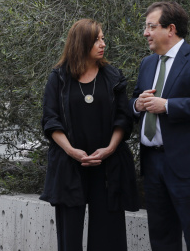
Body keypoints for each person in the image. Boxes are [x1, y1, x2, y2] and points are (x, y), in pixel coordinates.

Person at [41, 19, 139, 251]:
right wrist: (71, 151)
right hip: (69, 164)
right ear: (81, 43)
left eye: (103, 38)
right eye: (96, 39)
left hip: (107, 166)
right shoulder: (59, 78)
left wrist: (110, 149)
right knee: (70, 235)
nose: (102, 44)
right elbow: (50, 120)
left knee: (109, 235)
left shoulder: (113, 76)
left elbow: (123, 118)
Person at [131, 1, 190, 250]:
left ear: (171, 29)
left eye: (150, 26)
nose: (145, 33)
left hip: (185, 166)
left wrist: (167, 106)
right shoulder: (148, 63)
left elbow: (169, 105)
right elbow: (132, 102)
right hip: (152, 165)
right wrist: (138, 105)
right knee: (161, 239)